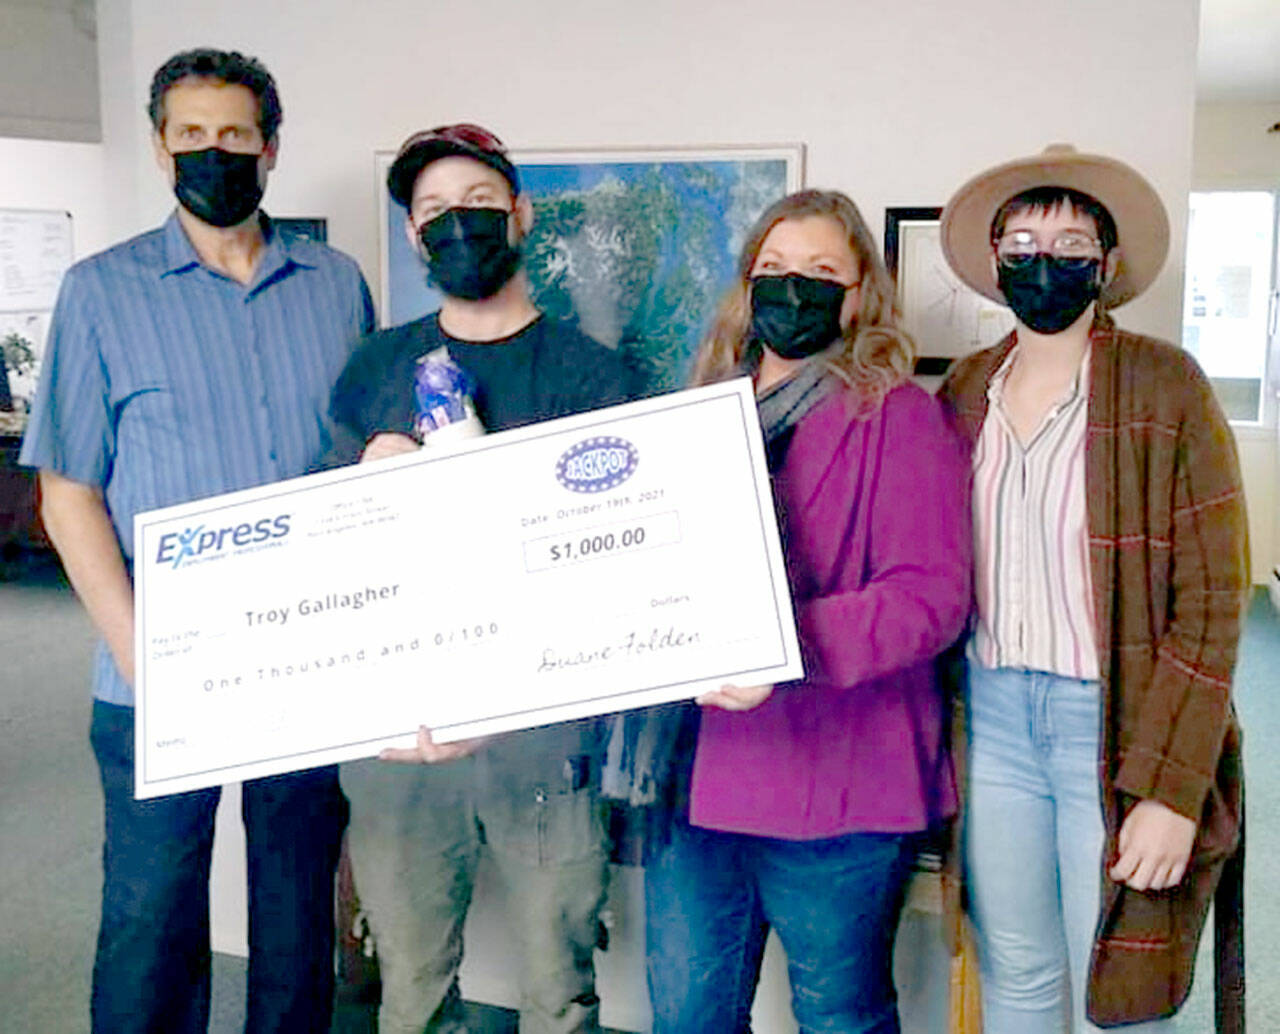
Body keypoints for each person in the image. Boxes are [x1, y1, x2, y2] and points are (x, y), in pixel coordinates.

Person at [19, 48, 373, 1033]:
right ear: (160, 145)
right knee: (150, 913)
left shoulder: (336, 286)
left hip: (304, 655)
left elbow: (361, 469)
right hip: (154, 669)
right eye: (190, 136)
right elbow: (68, 491)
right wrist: (145, 653)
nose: (213, 154)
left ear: (269, 147)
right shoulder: (101, 291)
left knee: (297, 906)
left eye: (233, 136)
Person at [328, 123, 645, 1034]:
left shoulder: (593, 377)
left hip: (542, 737)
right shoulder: (375, 369)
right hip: (400, 738)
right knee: (413, 986)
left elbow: (610, 556)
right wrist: (364, 482)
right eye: (433, 211)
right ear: (413, 233)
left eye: (476, 205)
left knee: (559, 987)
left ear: (520, 213)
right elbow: (335, 559)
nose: (457, 225)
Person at [642, 189, 970, 1034]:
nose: (796, 290)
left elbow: (931, 597)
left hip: (837, 778)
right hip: (694, 775)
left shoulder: (899, 416)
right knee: (687, 1016)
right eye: (774, 270)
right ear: (746, 287)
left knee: (840, 1017)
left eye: (823, 271)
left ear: (861, 295)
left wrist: (777, 646)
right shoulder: (697, 412)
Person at [937, 145, 1248, 1032]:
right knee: (1021, 974)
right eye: (1025, 240)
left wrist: (1171, 787)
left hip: (1115, 725)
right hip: (991, 721)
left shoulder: (1164, 386)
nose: (1047, 259)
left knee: (1121, 992)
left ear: (1106, 266)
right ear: (996, 259)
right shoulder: (964, 392)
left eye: (1072, 242)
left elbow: (1215, 602)